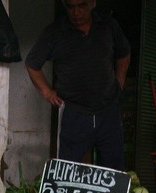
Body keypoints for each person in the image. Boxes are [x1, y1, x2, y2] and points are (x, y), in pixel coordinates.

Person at [25, 0, 130, 171]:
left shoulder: (108, 26)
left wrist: (119, 82)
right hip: (74, 114)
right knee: (68, 170)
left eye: (82, 6)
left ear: (93, 3)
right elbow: (32, 64)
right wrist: (47, 92)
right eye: (71, 7)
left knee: (113, 171)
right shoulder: (55, 32)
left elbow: (124, 55)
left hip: (108, 111)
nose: (76, 13)